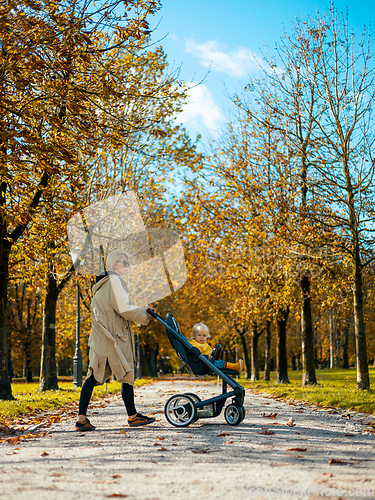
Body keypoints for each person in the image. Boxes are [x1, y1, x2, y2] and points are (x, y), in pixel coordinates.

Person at [76, 249, 156, 431]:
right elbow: (124, 309)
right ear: (113, 265)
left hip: (100, 338)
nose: (127, 265)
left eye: (128, 262)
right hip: (114, 337)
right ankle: (133, 416)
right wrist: (145, 312)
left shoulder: (102, 285)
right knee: (126, 374)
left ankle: (82, 418)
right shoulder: (115, 281)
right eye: (123, 262)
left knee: (93, 375)